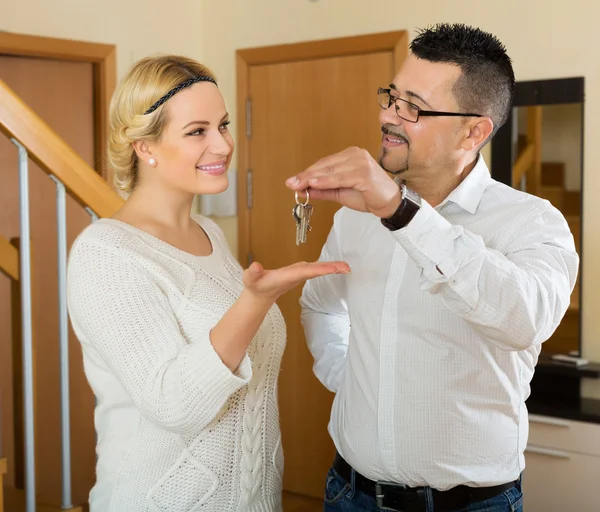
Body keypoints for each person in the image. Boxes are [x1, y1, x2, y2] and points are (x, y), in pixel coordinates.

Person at [286, 23, 578, 512]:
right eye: (391, 97)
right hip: (349, 495)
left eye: (413, 107)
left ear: (474, 130)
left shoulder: (533, 223)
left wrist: (402, 214)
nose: (388, 117)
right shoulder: (354, 221)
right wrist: (352, 379)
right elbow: (320, 305)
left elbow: (524, 320)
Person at [66, 55, 349, 512]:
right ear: (145, 146)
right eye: (197, 131)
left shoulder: (210, 236)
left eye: (224, 125)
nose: (222, 145)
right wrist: (255, 302)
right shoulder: (107, 254)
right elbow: (173, 405)